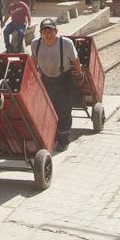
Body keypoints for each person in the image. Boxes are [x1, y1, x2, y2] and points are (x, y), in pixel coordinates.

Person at [31, 18, 84, 151]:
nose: (48, 34)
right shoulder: (35, 44)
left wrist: (79, 75)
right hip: (46, 79)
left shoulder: (66, 43)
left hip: (64, 80)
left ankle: (64, 140)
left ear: (56, 31)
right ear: (41, 32)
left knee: (64, 110)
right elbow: (33, 61)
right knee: (49, 109)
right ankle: (52, 136)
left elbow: (75, 60)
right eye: (44, 31)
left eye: (50, 30)